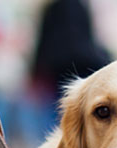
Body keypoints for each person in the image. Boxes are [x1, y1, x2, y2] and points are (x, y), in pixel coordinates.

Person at [30, 0, 111, 132]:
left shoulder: (53, 8)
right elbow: (90, 37)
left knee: (54, 120)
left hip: (58, 69)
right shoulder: (80, 6)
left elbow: (43, 43)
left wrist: (35, 73)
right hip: (83, 66)